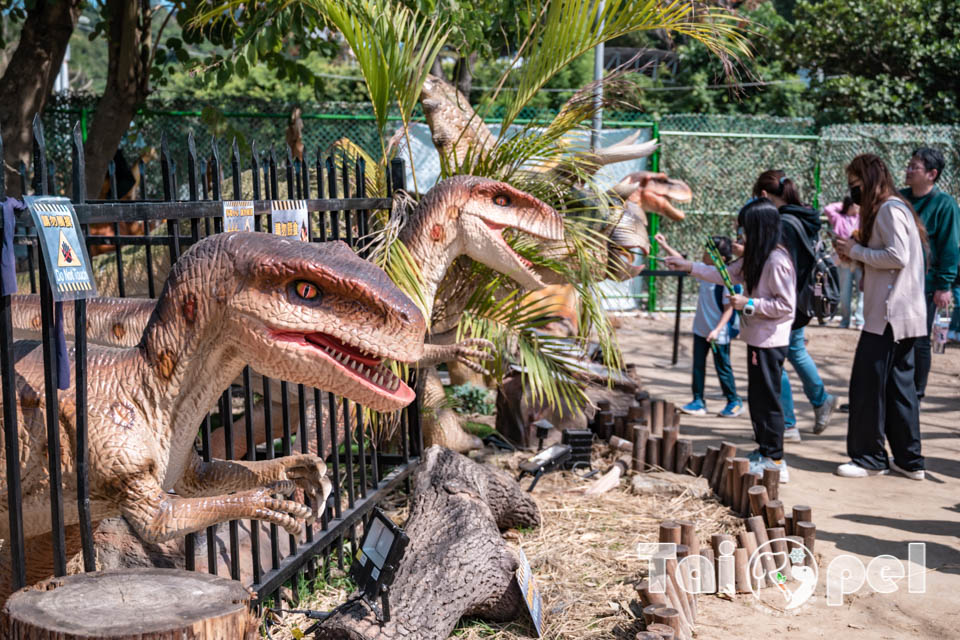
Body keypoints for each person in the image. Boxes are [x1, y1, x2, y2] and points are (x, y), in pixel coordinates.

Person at [666, 199, 796, 482]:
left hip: (770, 342)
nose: (741, 237)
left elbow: (786, 306)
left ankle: (775, 459)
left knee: (769, 400)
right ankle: (764, 451)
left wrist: (749, 303)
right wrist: (688, 266)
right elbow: (722, 275)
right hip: (757, 339)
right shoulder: (756, 257)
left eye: (745, 231)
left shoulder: (776, 261)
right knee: (758, 399)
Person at [834, 154, 927, 480]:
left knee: (867, 387)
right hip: (904, 315)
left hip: (887, 316)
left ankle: (870, 458)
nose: (853, 191)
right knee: (899, 389)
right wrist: (854, 253)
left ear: (868, 180)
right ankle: (909, 460)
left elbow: (896, 256)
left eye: (855, 183)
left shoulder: (888, 209)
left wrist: (856, 251)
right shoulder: (897, 208)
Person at [752, 170, 838, 440]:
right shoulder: (805, 215)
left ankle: (787, 422)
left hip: (785, 303)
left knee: (774, 359)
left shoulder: (784, 222)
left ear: (764, 195)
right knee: (795, 351)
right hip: (802, 300)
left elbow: (777, 261)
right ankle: (820, 399)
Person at [660, 233, 743, 418]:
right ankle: (698, 401)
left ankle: (734, 400)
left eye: (708, 252)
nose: (703, 255)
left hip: (718, 333)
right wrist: (665, 245)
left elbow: (729, 309)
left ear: (721, 258)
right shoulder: (706, 272)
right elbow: (683, 262)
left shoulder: (729, 280)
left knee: (723, 368)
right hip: (701, 329)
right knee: (698, 366)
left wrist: (717, 330)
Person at [900, 147, 960, 399]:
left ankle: (917, 392)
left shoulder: (944, 205)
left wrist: (943, 285)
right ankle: (897, 388)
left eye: (915, 167)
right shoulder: (899, 197)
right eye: (909, 165)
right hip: (896, 282)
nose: (909, 170)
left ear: (932, 174)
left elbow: (949, 247)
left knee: (920, 338)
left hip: (924, 285)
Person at [824, 196, 864, 329]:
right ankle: (845, 320)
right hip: (844, 260)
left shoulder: (862, 219)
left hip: (859, 260)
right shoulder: (838, 218)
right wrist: (845, 204)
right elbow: (828, 208)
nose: (859, 207)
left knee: (862, 291)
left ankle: (860, 320)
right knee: (844, 292)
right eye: (856, 205)